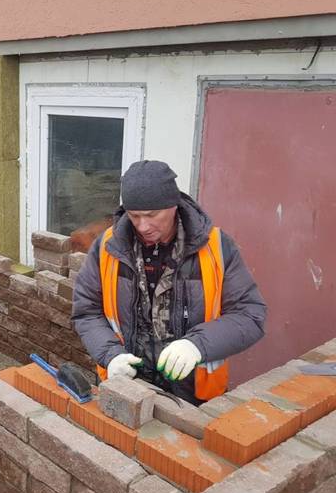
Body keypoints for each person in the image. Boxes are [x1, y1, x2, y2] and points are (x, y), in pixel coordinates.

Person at [71, 160, 267, 405]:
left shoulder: (215, 247)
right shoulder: (109, 246)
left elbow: (250, 315)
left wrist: (197, 345)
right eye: (134, 216)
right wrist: (111, 356)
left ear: (173, 205)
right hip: (127, 382)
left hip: (192, 393)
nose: (143, 226)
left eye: (152, 215)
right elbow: (86, 311)